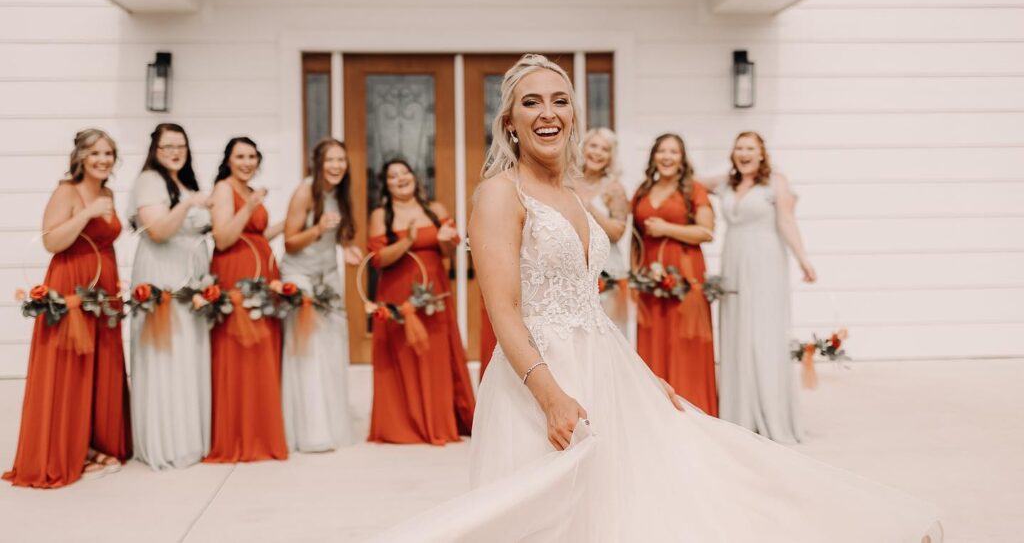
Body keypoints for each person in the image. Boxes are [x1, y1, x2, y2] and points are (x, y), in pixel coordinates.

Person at [462, 54, 941, 541]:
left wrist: (645, 377)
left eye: (559, 101)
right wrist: (551, 398)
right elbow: (504, 310)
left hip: (604, 369)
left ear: (573, 116)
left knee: (674, 479)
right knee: (543, 514)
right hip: (539, 378)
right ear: (511, 123)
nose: (548, 112)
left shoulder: (573, 194)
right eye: (532, 102)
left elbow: (589, 307)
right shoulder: (501, 195)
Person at [4, 129, 132, 487]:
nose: (103, 160)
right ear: (80, 158)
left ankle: (93, 442)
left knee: (100, 365)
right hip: (70, 280)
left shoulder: (107, 191)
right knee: (70, 366)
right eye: (95, 154)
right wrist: (88, 212)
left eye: (109, 153)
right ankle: (66, 448)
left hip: (103, 286)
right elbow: (51, 240)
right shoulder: (67, 191)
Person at [705, 131, 816, 443]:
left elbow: (786, 222)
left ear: (762, 153)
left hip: (766, 261)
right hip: (734, 259)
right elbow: (692, 180)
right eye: (739, 147)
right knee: (738, 330)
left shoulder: (776, 182)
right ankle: (740, 412)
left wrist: (803, 260)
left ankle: (771, 412)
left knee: (764, 333)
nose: (744, 153)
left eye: (750, 148)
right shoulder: (726, 183)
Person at [366, 159, 475, 444]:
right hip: (397, 295)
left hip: (433, 293)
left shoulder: (435, 210)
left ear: (414, 177)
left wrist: (444, 240)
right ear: (386, 185)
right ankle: (405, 424)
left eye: (405, 173)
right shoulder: (381, 215)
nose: (401, 178)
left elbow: (452, 256)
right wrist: (407, 241)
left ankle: (438, 421)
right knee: (402, 356)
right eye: (393, 176)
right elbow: (377, 260)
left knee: (435, 355)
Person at [128, 123, 212, 469]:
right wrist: (191, 203)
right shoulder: (150, 180)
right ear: (155, 150)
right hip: (164, 277)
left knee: (187, 358)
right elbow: (159, 231)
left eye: (181, 146)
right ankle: (168, 443)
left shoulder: (183, 182)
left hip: (190, 281)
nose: (175, 152)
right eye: (167, 147)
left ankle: (190, 437)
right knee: (167, 359)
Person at [204, 137, 288, 462]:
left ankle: (261, 432)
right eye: (240, 156)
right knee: (238, 352)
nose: (247, 162)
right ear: (228, 159)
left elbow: (254, 235)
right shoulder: (224, 189)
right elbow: (223, 238)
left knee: (261, 353)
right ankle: (238, 435)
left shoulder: (247, 190)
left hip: (261, 277)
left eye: (252, 156)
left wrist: (288, 225)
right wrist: (251, 206)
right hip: (234, 274)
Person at [280, 138, 360, 452]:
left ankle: (332, 424)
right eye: (330, 160)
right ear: (318, 163)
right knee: (308, 352)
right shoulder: (305, 191)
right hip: (301, 277)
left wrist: (347, 247)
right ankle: (309, 431)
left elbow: (337, 233)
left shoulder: (338, 193)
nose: (337, 166)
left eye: (341, 160)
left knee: (332, 348)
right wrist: (317, 229)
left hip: (329, 276)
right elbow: (289, 242)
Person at [631, 133, 718, 415]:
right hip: (649, 280)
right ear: (654, 156)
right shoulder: (643, 191)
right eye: (662, 151)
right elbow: (636, 238)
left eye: (674, 152)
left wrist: (667, 229)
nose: (667, 157)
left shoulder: (694, 190)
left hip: (684, 276)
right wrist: (635, 276)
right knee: (652, 343)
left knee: (685, 346)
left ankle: (692, 411)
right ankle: (656, 413)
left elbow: (706, 232)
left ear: (682, 159)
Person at [576, 128, 630, 337]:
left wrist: (590, 207)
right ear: (584, 148)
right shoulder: (566, 181)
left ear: (611, 157)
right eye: (593, 146)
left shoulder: (614, 189)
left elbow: (617, 232)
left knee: (607, 333)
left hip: (607, 270)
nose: (597, 153)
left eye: (605, 149)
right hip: (574, 265)